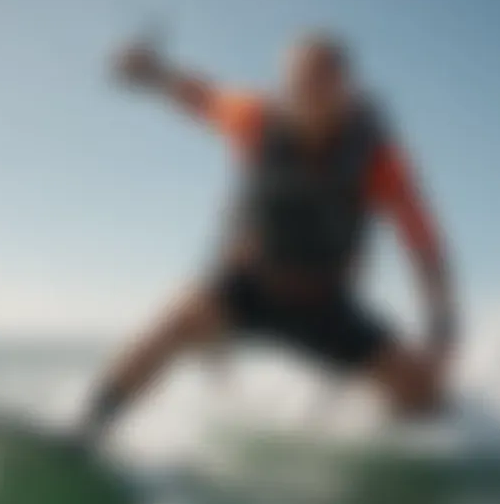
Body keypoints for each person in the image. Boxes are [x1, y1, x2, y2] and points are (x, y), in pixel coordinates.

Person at [79, 33, 458, 445]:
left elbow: (425, 249)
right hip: (247, 284)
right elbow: (201, 97)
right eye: (298, 84)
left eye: (322, 82)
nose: (309, 96)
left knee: (425, 394)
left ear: (346, 87)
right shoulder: (255, 117)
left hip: (324, 304)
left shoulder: (380, 159)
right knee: (175, 320)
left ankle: (387, 456)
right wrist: (150, 70)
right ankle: (84, 434)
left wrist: (440, 332)